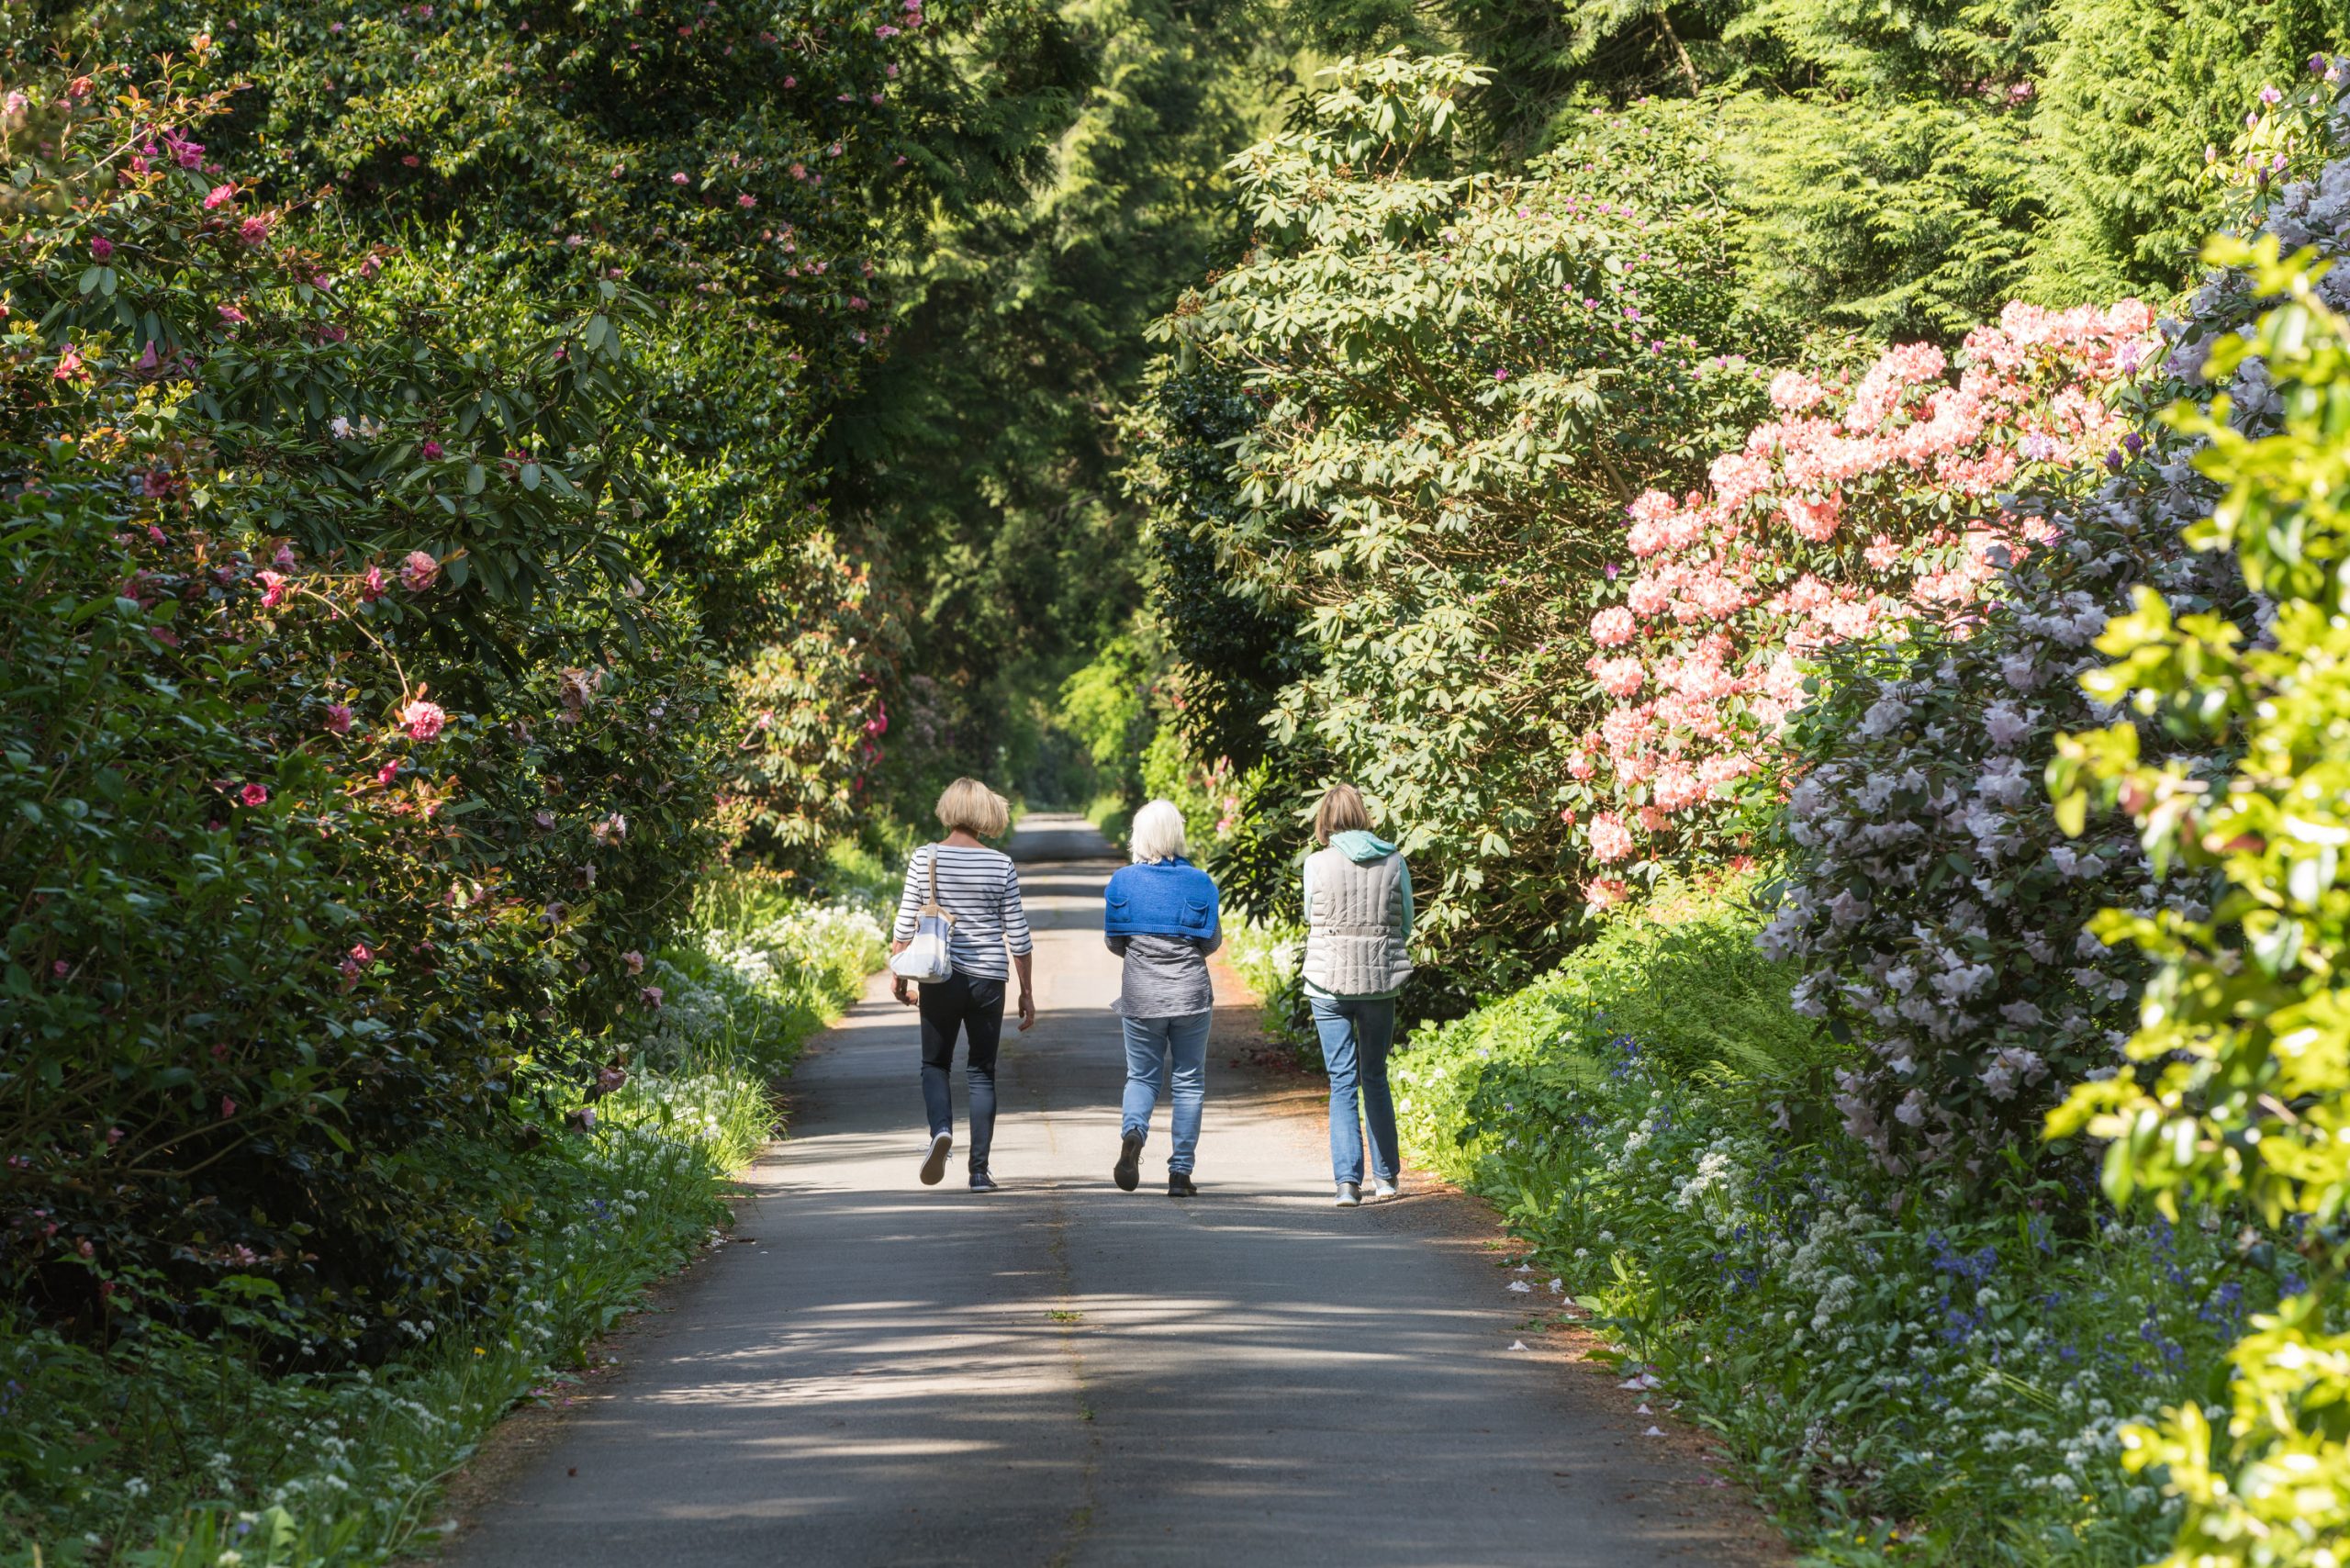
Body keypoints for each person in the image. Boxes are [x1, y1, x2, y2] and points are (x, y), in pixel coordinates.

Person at [890, 778, 1035, 1192]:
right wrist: (1026, 992)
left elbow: (905, 925)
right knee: (982, 1073)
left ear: (947, 809)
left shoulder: (924, 857)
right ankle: (979, 1172)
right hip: (989, 977)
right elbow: (1019, 936)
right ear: (985, 812)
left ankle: (940, 1131)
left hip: (940, 974)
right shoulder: (1000, 863)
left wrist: (899, 976)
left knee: (935, 1064)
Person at [1301, 782, 1413, 1208]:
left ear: (1325, 821)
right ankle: (1386, 1179)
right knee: (1375, 1077)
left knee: (1342, 1081)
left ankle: (1347, 1184)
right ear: (1364, 816)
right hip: (1380, 984)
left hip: (1327, 984)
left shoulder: (1316, 863)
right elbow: (1405, 923)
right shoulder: (1394, 860)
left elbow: (1312, 915)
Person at [1102, 800, 1222, 1198]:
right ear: (1178, 833)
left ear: (1139, 835)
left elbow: (1114, 941)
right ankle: (1180, 1174)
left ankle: (1134, 1132)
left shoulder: (1122, 881)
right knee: (1188, 1082)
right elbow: (1211, 941)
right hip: (1190, 993)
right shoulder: (1200, 882)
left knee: (1141, 1076)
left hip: (1140, 994)